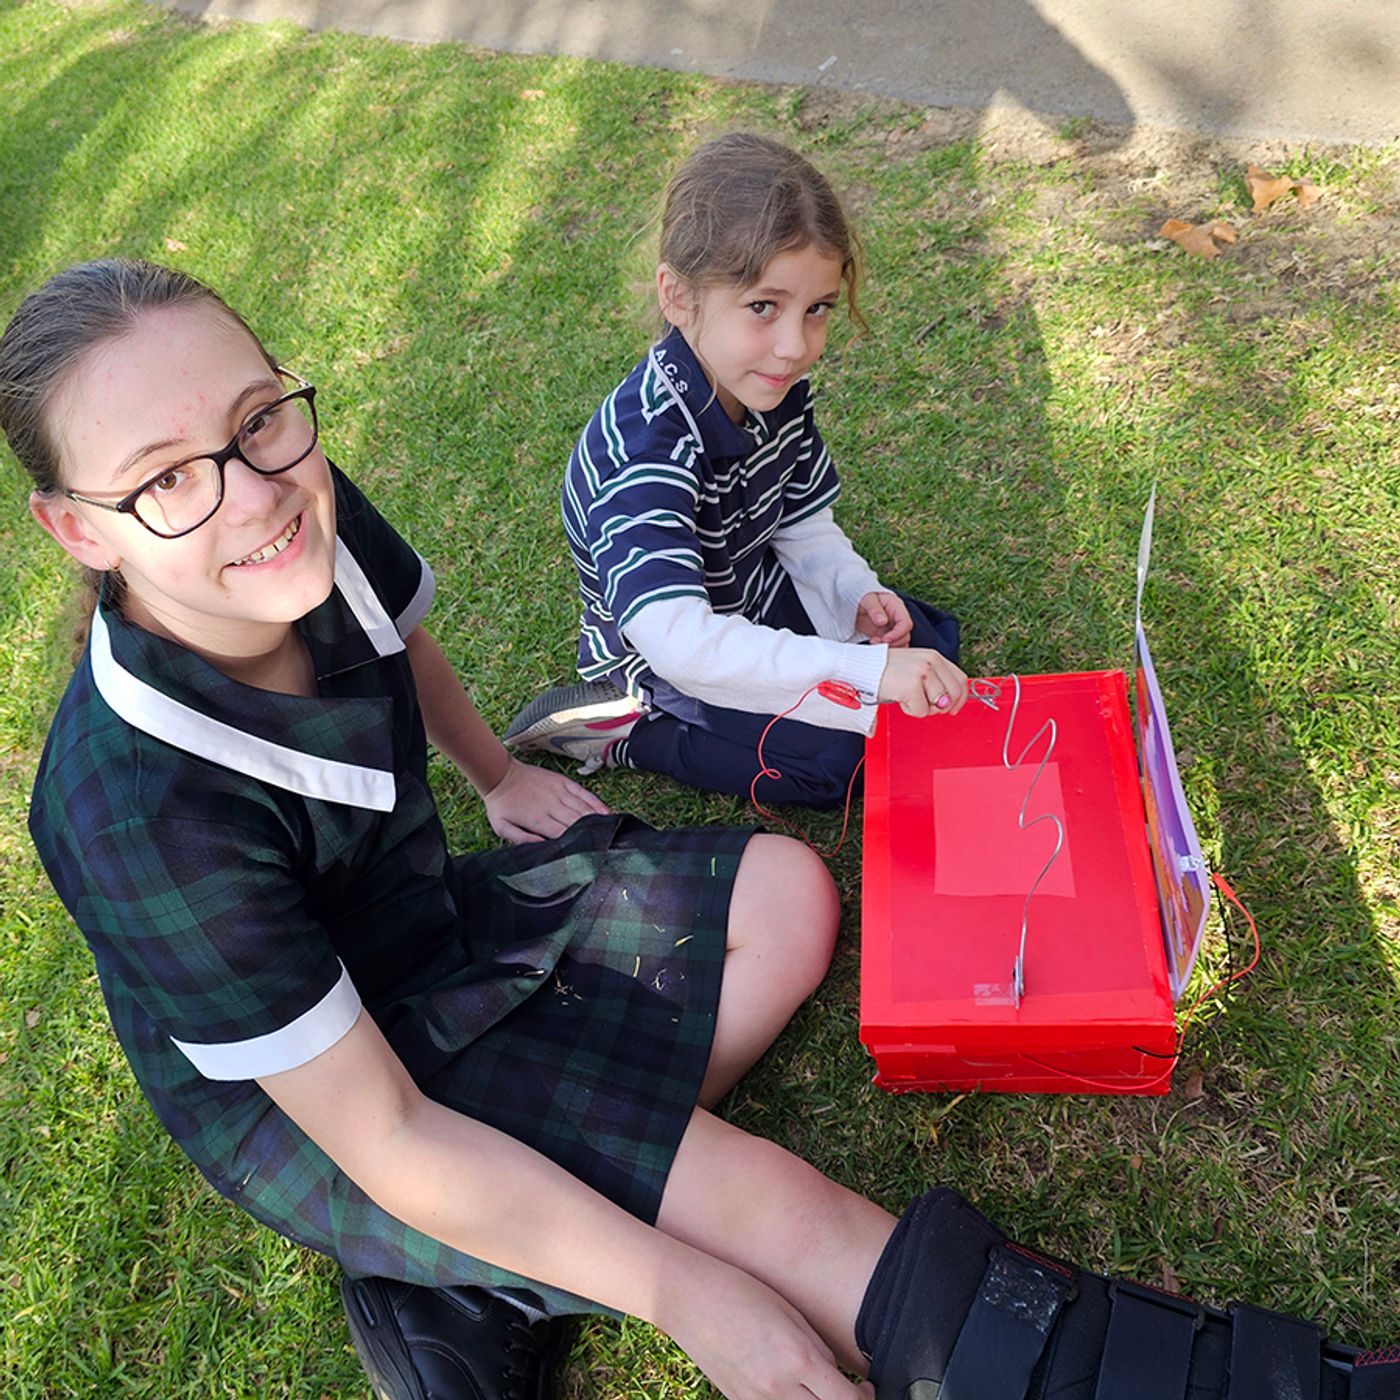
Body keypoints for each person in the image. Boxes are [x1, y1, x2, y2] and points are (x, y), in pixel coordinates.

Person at [7, 261, 1394, 1400]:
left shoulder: (297, 503)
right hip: (340, 1108)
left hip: (438, 934)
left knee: (788, 895)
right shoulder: (134, 809)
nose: (251, 490)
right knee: (787, 1230)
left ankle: (497, 1266)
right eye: (164, 479)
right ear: (77, 529)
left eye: (259, 419)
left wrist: (494, 774)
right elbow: (383, 1131)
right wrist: (690, 1291)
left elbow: (401, 640)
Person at [505, 132, 969, 807]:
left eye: (816, 310)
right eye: (763, 307)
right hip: (668, 659)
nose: (794, 346)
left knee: (927, 648)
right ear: (678, 296)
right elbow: (686, 647)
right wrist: (864, 673)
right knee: (841, 764)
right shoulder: (641, 454)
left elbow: (801, 524)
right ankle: (620, 732)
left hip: (750, 595)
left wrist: (853, 595)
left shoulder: (770, 386)